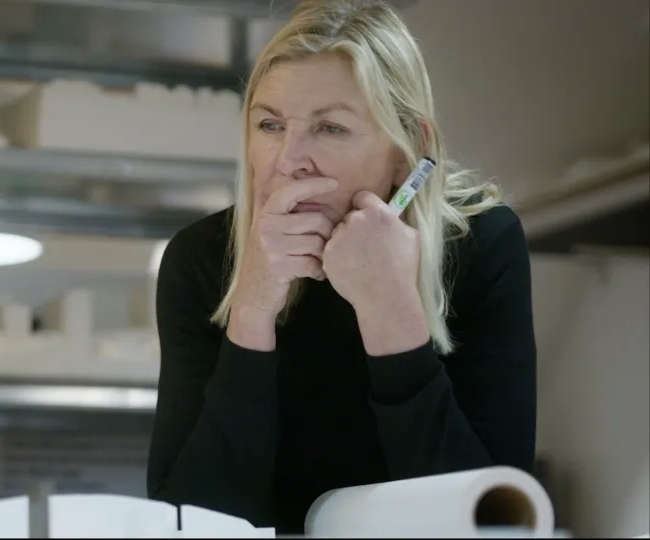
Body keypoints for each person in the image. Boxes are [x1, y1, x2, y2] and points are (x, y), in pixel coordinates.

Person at [147, 0, 536, 535]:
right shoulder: (200, 258)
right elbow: (185, 523)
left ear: (409, 150)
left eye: (330, 128)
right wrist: (252, 313)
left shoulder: (481, 244)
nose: (289, 158)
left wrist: (390, 308)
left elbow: (495, 521)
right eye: (270, 124)